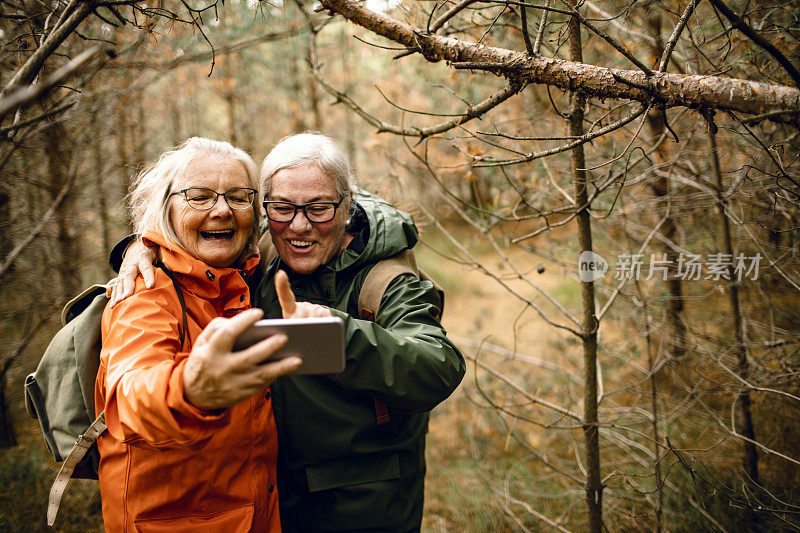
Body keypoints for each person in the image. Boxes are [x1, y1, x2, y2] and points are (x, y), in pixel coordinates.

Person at [115, 132, 466, 532]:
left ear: (348, 205)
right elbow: (196, 231)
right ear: (265, 210)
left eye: (318, 208)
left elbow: (438, 365)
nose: (299, 226)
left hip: (363, 507)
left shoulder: (387, 279)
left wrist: (337, 336)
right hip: (272, 501)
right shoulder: (261, 256)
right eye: (282, 208)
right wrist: (143, 246)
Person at [97, 137, 302, 532]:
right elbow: (131, 392)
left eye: (238, 197)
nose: (222, 210)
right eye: (200, 196)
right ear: (165, 210)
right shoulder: (145, 292)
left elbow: (330, 194)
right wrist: (190, 390)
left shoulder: (249, 280)